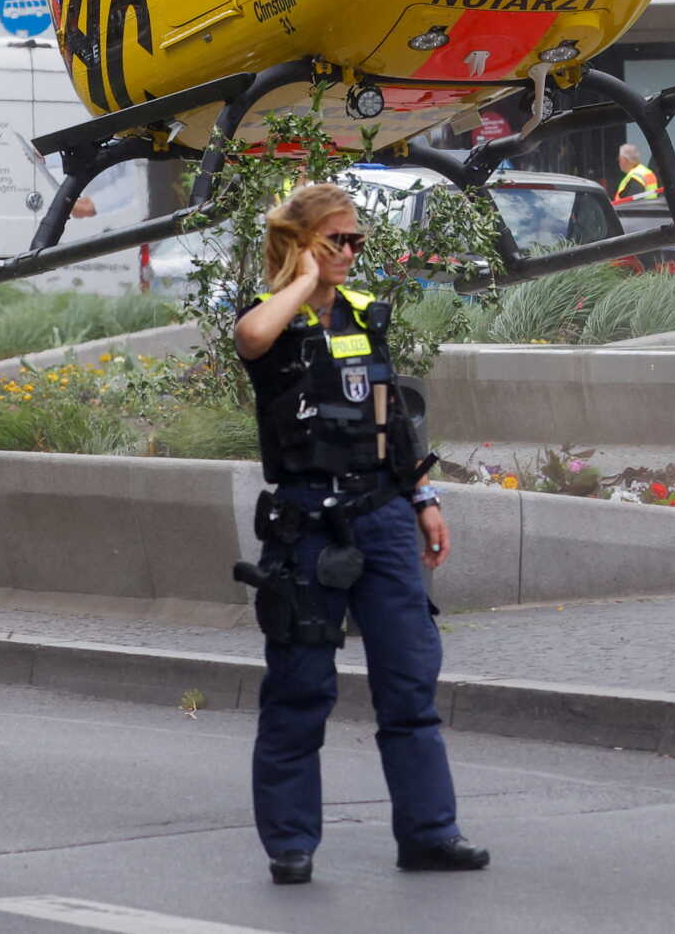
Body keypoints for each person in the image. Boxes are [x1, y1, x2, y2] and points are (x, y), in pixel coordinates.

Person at [233, 182, 487, 886]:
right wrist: (304, 279)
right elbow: (251, 337)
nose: (350, 252)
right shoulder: (271, 321)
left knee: (410, 681)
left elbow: (391, 416)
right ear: (303, 243)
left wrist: (423, 495)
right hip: (308, 522)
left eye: (356, 242)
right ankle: (291, 843)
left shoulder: (365, 315)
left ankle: (430, 832)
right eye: (336, 241)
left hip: (381, 516)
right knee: (301, 687)